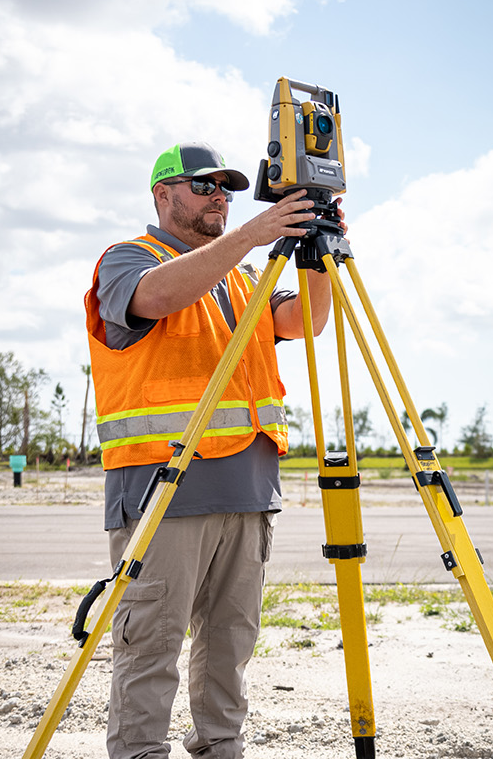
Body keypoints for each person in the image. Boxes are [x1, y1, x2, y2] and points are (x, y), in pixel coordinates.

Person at [84, 141, 338, 759]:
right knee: (152, 642)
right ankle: (141, 752)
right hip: (162, 490)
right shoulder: (128, 259)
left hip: (248, 491)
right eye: (203, 185)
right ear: (163, 195)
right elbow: (156, 299)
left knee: (230, 640)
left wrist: (318, 253)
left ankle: (221, 747)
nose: (220, 195)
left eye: (226, 186)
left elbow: (306, 321)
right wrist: (251, 236)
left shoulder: (245, 277)